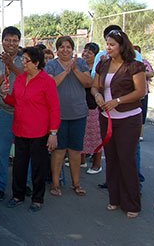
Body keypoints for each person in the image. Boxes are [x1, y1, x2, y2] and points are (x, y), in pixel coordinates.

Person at [91, 30, 145, 218]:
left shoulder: (135, 66)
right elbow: (94, 86)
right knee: (112, 158)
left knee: (126, 160)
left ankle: (132, 204)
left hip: (128, 118)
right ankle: (114, 199)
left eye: (112, 44)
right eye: (107, 43)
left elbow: (141, 91)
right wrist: (97, 95)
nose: (108, 47)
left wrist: (118, 101)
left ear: (122, 46)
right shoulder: (103, 64)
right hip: (107, 118)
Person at [0, 47, 60, 211]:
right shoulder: (20, 79)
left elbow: (54, 109)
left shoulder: (47, 82)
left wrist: (53, 133)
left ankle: (37, 198)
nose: (22, 63)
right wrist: (5, 95)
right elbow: (15, 102)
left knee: (39, 166)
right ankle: (17, 195)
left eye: (26, 60)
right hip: (20, 129)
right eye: (22, 60)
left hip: (39, 132)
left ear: (37, 63)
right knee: (19, 165)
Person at [46, 36, 92, 197]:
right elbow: (51, 85)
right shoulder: (51, 65)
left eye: (68, 47)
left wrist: (75, 70)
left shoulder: (80, 64)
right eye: (62, 47)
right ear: (56, 49)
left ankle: (76, 184)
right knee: (58, 150)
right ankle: (56, 184)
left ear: (73, 49)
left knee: (75, 150)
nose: (65, 50)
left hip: (78, 113)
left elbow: (88, 83)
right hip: (58, 116)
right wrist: (66, 71)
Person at [0, 26, 24, 202]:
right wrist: (4, 75)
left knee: (25, 152)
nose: (11, 43)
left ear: (19, 42)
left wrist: (11, 65)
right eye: (8, 40)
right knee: (1, 152)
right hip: (3, 113)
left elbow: (31, 78)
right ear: (2, 41)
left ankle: (25, 184)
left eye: (15, 40)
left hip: (26, 113)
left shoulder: (26, 60)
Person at [80, 42, 103, 174]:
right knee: (82, 136)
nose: (86, 53)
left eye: (90, 52)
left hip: (93, 106)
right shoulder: (79, 66)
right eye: (85, 50)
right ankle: (82, 161)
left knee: (95, 136)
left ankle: (96, 164)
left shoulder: (97, 69)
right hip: (80, 106)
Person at [133, 45, 154, 141]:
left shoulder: (144, 63)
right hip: (131, 93)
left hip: (143, 93)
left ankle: (140, 135)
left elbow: (151, 73)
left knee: (142, 113)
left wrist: (141, 74)